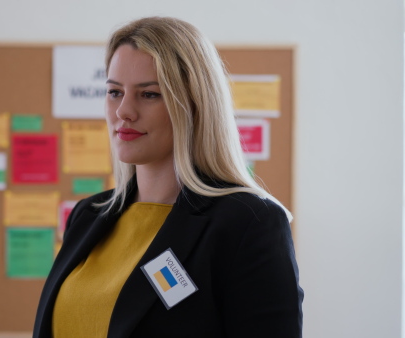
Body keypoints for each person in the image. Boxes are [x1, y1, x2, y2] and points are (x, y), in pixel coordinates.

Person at [34, 16, 303, 338]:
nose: (124, 111)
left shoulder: (247, 222)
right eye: (114, 92)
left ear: (194, 104)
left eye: (149, 94)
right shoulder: (87, 216)